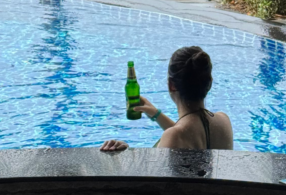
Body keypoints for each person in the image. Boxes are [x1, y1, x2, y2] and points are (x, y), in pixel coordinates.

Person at [100, 46, 233, 152]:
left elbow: (149, 175)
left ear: (171, 85)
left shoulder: (174, 137)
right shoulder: (223, 121)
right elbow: (191, 132)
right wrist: (156, 114)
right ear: (209, 83)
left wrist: (126, 153)